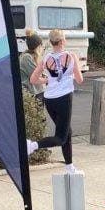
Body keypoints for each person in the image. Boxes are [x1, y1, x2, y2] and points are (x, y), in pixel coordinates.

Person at [26, 28, 83, 174]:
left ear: (51, 42)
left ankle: (69, 167)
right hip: (64, 98)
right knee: (61, 138)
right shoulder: (71, 56)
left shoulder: (45, 58)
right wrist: (72, 74)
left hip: (49, 99)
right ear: (63, 41)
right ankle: (32, 145)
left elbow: (33, 79)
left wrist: (48, 79)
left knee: (67, 132)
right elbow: (79, 80)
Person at [18, 31, 45, 101]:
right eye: (42, 45)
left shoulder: (28, 56)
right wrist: (49, 80)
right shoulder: (26, 57)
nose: (42, 48)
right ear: (38, 46)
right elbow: (36, 77)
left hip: (34, 91)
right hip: (31, 92)